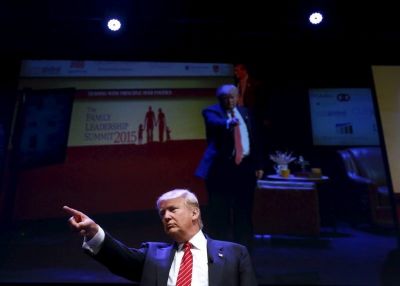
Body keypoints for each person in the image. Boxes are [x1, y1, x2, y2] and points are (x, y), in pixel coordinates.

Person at [63, 189, 258, 285]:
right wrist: (93, 231)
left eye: (173, 209)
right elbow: (118, 257)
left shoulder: (235, 253)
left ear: (195, 213)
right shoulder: (153, 255)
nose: (166, 216)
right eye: (162, 213)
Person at [195, 84, 264, 251]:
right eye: (225, 98)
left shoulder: (246, 113)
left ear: (237, 96)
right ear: (219, 100)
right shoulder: (211, 112)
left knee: (244, 213)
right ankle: (220, 253)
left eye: (232, 97)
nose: (229, 101)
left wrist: (258, 164)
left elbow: (255, 140)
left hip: (245, 170)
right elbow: (215, 123)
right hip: (221, 171)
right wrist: (228, 122)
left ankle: (245, 251)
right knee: (220, 214)